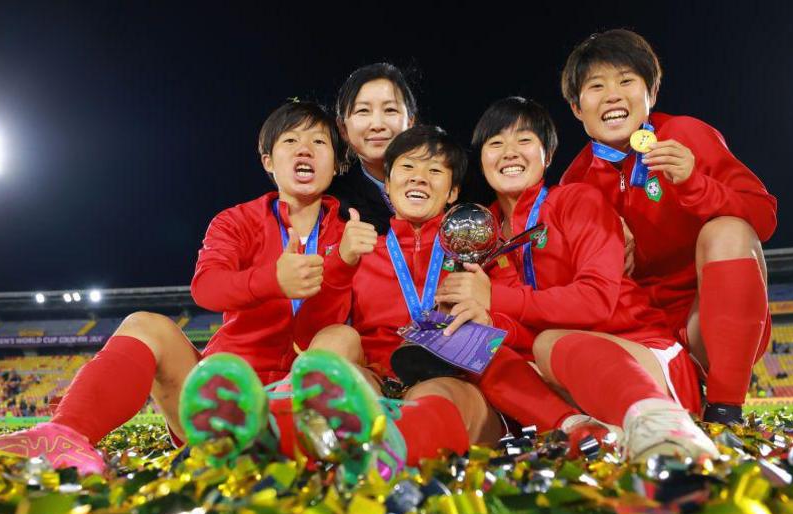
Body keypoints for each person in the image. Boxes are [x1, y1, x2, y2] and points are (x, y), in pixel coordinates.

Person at [0, 101, 350, 475]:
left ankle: (289, 426)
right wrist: (272, 280)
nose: (305, 148)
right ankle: (64, 433)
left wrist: (343, 264)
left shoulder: (356, 233)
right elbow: (206, 288)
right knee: (145, 323)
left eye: (319, 142)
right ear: (268, 161)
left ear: (336, 163)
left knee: (340, 337)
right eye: (290, 140)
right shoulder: (235, 221)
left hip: (303, 395)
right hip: (218, 392)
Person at [297, 125, 597, 467]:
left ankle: (380, 463)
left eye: (435, 170)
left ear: (452, 192)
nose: (419, 178)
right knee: (337, 339)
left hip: (452, 384)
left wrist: (489, 321)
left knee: (430, 396)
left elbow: (522, 332)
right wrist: (340, 265)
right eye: (407, 167)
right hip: (376, 380)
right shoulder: (360, 250)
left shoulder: (479, 255)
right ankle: (297, 428)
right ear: (389, 184)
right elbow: (308, 333)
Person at [438, 96, 718, 461]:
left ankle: (661, 425)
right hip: (564, 377)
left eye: (524, 140)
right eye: (495, 143)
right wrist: (487, 320)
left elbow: (597, 301)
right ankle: (582, 431)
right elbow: (523, 328)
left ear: (548, 155)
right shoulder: (481, 234)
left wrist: (495, 300)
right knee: (478, 347)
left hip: (638, 356)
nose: (509, 152)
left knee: (552, 342)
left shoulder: (578, 200)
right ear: (482, 159)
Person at [558, 30, 777, 425]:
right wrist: (601, 245)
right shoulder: (573, 183)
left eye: (626, 80)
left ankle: (725, 408)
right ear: (577, 108)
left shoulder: (687, 135)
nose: (612, 95)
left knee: (727, 230)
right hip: (638, 336)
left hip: (707, 329)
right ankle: (665, 392)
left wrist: (697, 184)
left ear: (651, 93)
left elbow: (762, 218)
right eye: (595, 86)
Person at [327, 63, 417, 235]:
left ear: (410, 122)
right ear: (343, 128)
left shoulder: (445, 183)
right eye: (363, 110)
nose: (377, 125)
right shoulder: (334, 201)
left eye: (390, 110)